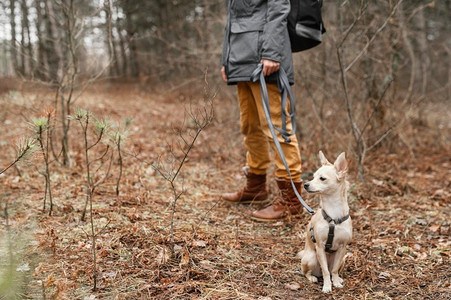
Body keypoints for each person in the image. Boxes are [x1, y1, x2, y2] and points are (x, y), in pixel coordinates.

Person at [221, 0, 304, 221]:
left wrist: (272, 53)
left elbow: (279, 9)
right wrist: (226, 60)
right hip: (240, 60)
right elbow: (232, 19)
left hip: (265, 59)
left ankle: (291, 199)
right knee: (250, 126)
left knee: (277, 127)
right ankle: (255, 187)